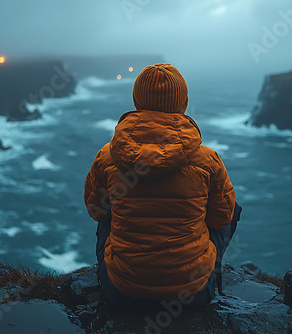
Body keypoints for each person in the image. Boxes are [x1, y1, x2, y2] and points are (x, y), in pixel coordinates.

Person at [84, 63, 242, 308]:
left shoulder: (107, 157)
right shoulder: (207, 159)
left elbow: (96, 211)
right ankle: (203, 273)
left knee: (107, 212)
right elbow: (221, 218)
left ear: (136, 100)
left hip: (122, 291)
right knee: (231, 208)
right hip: (190, 295)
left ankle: (128, 276)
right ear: (183, 103)